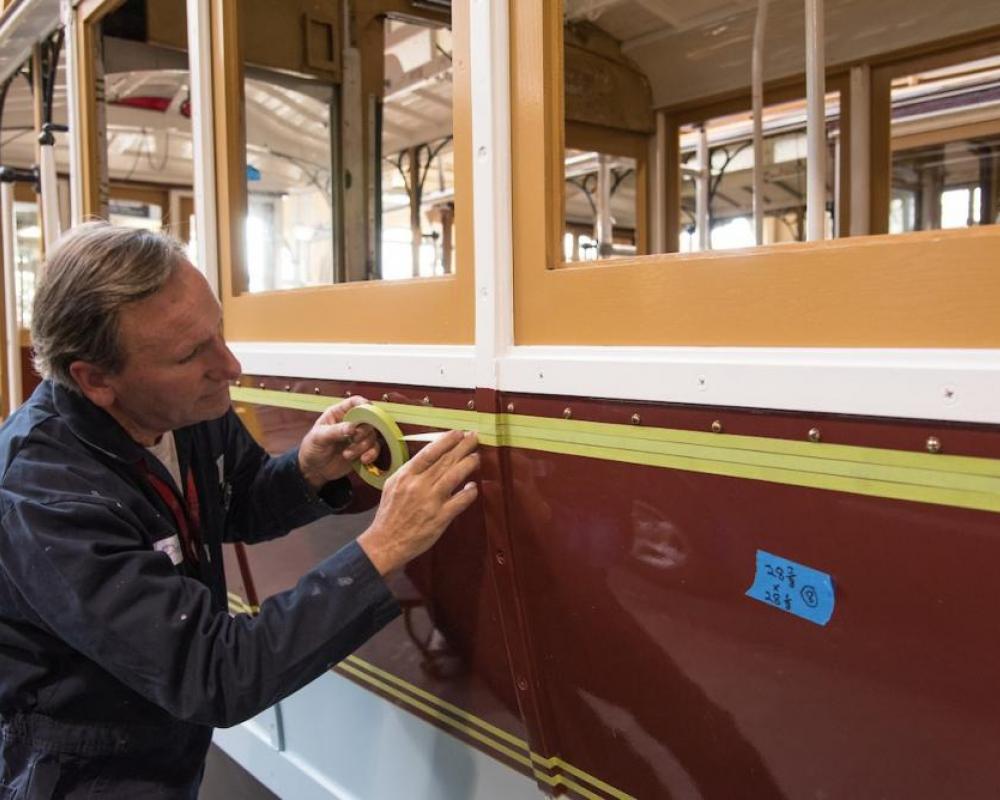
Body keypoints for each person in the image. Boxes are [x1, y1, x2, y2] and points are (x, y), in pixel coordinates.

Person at [0, 222, 479, 798]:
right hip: (82, 775)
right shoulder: (43, 496)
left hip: (169, 751)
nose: (230, 366)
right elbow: (215, 674)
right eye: (190, 354)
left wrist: (306, 470)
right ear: (95, 379)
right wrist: (383, 549)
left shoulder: (182, 407)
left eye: (219, 331)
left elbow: (236, 499)